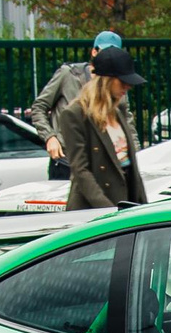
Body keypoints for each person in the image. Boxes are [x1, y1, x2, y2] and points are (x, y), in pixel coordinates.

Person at [55, 44, 149, 210]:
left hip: (126, 201)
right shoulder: (75, 114)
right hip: (94, 209)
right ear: (106, 80)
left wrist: (144, 208)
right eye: (123, 81)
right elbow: (81, 171)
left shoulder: (118, 110)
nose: (128, 86)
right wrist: (108, 210)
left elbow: (132, 169)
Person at [30, 30, 126, 151]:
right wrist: (50, 137)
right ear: (94, 52)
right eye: (105, 52)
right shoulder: (69, 74)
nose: (109, 58)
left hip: (98, 157)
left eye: (114, 54)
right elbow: (39, 107)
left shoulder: (117, 83)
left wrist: (136, 155)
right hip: (65, 155)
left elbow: (126, 121)